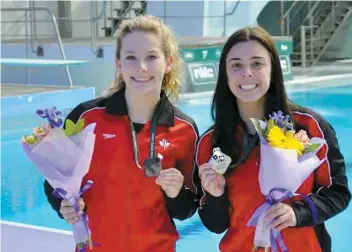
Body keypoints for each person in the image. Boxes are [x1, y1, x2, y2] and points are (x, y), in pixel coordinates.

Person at [44, 15, 199, 252]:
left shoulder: (183, 130)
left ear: (168, 62)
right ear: (118, 63)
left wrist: (176, 193)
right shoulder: (86, 117)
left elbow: (188, 208)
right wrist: (62, 203)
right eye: (130, 58)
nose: (141, 67)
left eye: (151, 57)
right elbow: (53, 179)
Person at [195, 26, 351, 252]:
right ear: (225, 74)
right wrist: (215, 194)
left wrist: (298, 213)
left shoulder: (309, 126)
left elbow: (339, 193)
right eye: (236, 65)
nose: (247, 72)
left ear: (273, 69)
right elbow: (216, 225)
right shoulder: (211, 142)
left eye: (257, 63)